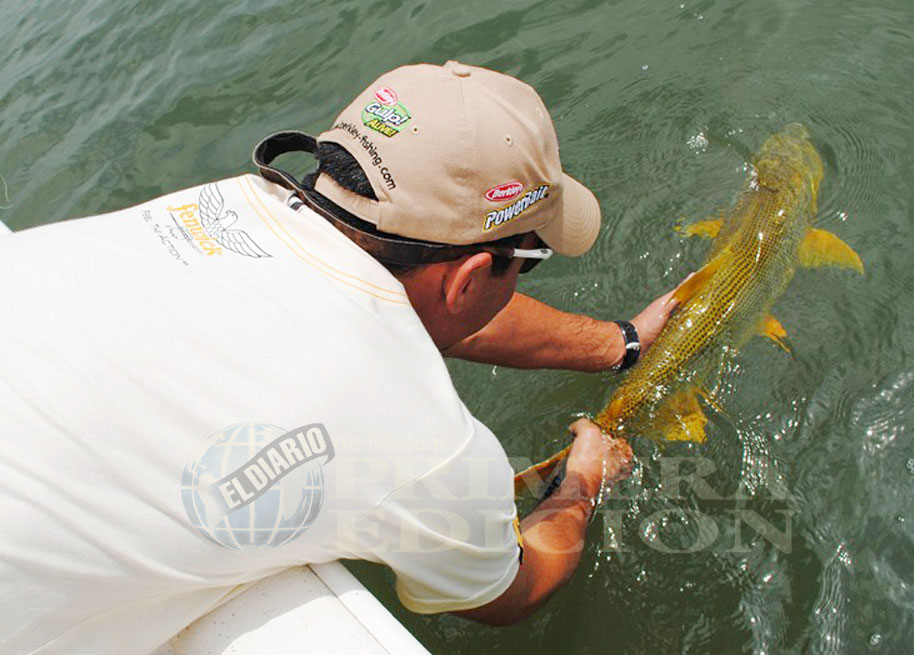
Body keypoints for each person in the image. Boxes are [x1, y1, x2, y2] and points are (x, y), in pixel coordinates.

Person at [0, 61, 682, 653]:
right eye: (525, 263)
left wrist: (619, 342)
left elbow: (414, 305)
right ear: (472, 277)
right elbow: (512, 587)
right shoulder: (421, 437)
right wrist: (582, 481)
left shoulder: (231, 207)